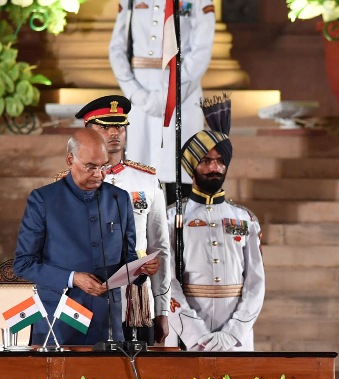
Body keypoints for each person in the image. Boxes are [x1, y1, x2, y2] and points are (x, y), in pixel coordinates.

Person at [13, 129, 157, 345]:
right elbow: (23, 265)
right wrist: (73, 278)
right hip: (58, 322)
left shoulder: (119, 198)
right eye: (91, 167)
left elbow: (127, 259)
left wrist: (142, 269)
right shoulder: (43, 199)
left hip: (108, 323)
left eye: (103, 167)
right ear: (70, 159)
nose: (99, 174)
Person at [75, 95, 171, 345]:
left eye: (119, 125)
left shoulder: (147, 181)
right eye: (104, 126)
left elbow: (160, 248)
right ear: (88, 132)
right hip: (87, 292)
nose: (114, 132)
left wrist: (162, 309)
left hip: (135, 296)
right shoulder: (70, 182)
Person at [166, 123, 265, 351]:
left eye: (221, 161)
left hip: (235, 339)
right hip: (188, 336)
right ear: (192, 167)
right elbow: (166, 282)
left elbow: (255, 283)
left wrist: (233, 332)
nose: (215, 167)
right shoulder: (171, 219)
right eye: (206, 161)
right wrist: (195, 334)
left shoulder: (245, 219)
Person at [108, 0, 216, 199]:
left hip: (183, 95)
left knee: (179, 175)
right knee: (139, 178)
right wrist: (135, 93)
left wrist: (172, 93)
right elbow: (117, 49)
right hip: (141, 100)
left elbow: (201, 49)